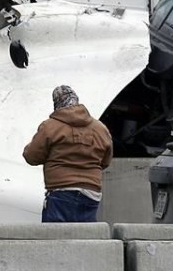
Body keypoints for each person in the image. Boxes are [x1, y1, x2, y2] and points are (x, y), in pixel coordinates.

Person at [22, 85, 112, 222]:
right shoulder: (101, 129)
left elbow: (31, 156)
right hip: (91, 193)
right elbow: (105, 161)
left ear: (57, 103)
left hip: (61, 191)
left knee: (56, 239)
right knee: (85, 239)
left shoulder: (50, 126)